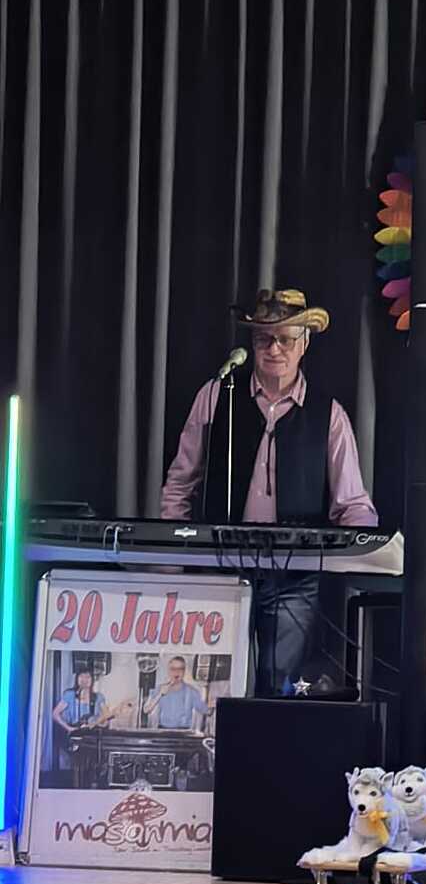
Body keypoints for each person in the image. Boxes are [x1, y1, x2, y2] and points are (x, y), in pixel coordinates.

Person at [160, 288, 377, 693]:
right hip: (221, 566)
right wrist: (171, 563)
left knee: (278, 686)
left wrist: (370, 553)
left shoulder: (329, 414)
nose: (274, 349)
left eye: (285, 339)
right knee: (215, 684)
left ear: (304, 343)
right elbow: (181, 481)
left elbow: (351, 503)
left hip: (294, 576)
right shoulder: (217, 395)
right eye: (263, 339)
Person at [143, 657, 207, 732]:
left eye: (180, 669)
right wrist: (160, 694)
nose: (177, 672)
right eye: (173, 669)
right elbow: (146, 710)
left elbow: (206, 710)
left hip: (184, 732)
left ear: (184, 671)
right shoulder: (159, 688)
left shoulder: (192, 691)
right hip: (163, 731)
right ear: (168, 671)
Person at [52, 665, 107, 735]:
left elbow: (106, 718)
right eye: (81, 676)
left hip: (92, 735)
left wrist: (100, 723)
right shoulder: (69, 695)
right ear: (77, 679)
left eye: (88, 677)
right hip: (74, 733)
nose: (84, 679)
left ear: (92, 680)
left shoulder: (99, 697)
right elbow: (55, 714)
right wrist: (68, 728)